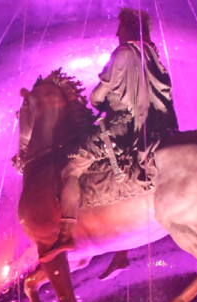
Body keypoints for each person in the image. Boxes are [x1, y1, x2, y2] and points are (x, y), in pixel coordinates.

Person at [39, 8, 178, 263]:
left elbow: (97, 96)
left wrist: (99, 101)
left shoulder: (122, 53)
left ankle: (66, 233)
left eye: (120, 27)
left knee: (71, 167)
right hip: (157, 129)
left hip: (122, 129)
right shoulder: (154, 56)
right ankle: (119, 252)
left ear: (128, 27)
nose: (116, 33)